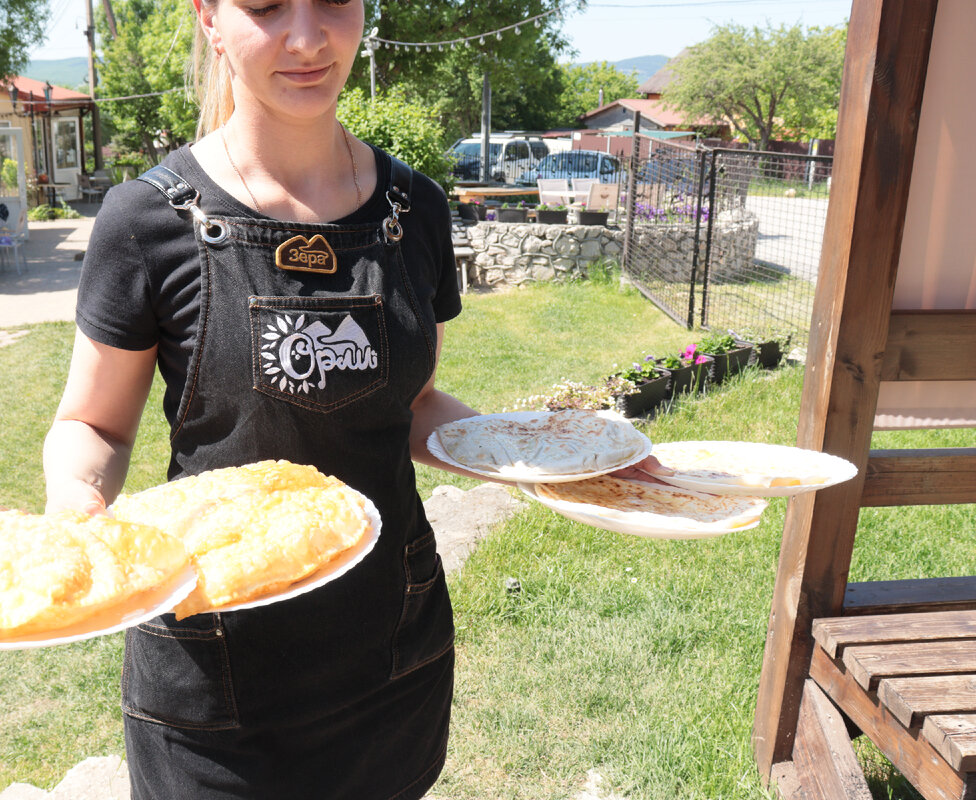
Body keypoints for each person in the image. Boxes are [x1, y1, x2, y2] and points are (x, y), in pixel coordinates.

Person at [45, 0, 663, 796]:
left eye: (333, 0)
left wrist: (567, 461)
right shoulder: (147, 220)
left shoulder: (417, 212)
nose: (307, 38)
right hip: (215, 678)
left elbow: (415, 404)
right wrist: (75, 509)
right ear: (208, 16)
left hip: (391, 653)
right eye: (266, 6)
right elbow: (92, 423)